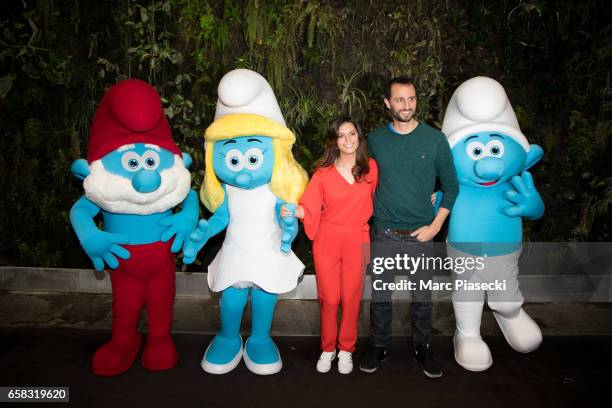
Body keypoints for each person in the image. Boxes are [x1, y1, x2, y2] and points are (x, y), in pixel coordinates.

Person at [359, 77, 459, 379]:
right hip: (384, 233)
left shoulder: (434, 139)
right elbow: (359, 177)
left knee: (422, 297)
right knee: (380, 296)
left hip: (421, 234)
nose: (407, 105)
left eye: (411, 99)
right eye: (400, 100)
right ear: (388, 103)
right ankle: (379, 346)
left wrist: (434, 226)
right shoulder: (374, 140)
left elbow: (452, 187)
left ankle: (423, 346)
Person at [281, 115, 377, 374]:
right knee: (330, 298)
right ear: (334, 140)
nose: (347, 140)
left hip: (359, 239)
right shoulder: (322, 174)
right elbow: (309, 208)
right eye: (341, 135)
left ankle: (346, 349)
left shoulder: (370, 168)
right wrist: (291, 211)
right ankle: (328, 349)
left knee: (352, 297)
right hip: (328, 239)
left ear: (359, 136)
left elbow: (384, 198)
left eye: (352, 134)